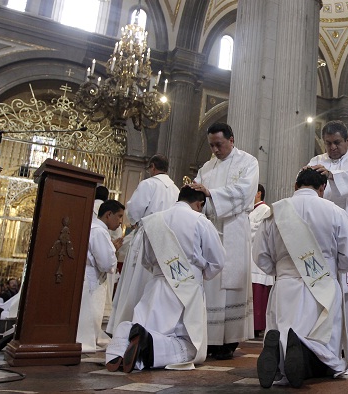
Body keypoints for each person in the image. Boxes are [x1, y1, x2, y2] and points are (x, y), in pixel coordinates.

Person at [253, 168, 348, 388]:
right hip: (322, 286)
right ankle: (304, 353)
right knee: (321, 337)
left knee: (284, 328)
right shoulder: (334, 211)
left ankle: (280, 357)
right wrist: (330, 268)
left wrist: (282, 271)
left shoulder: (274, 212)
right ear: (322, 188)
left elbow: (260, 255)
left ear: (295, 186)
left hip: (285, 285)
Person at [105, 186, 226, 372]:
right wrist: (201, 273)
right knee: (189, 346)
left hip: (155, 286)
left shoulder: (154, 221)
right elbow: (217, 260)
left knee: (145, 322)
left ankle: (120, 346)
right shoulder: (200, 221)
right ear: (199, 204)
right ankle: (148, 344)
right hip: (186, 290)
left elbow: (145, 260)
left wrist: (161, 271)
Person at [191, 122, 259, 360]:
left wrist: (211, 194)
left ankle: (229, 340)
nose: (215, 150)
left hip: (234, 228)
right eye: (211, 145)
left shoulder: (248, 162)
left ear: (231, 139)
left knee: (231, 285)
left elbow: (244, 192)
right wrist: (195, 192)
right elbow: (198, 193)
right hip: (210, 229)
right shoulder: (207, 167)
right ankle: (209, 339)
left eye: (219, 144)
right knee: (210, 287)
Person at [307, 120, 348, 363]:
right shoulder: (317, 160)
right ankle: (325, 339)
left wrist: (333, 176)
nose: (332, 148)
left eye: (337, 143)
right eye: (328, 143)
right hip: (323, 230)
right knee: (323, 286)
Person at [108, 154, 180, 334]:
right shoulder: (176, 189)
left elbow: (134, 210)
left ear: (153, 167)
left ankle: (128, 322)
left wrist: (134, 221)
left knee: (137, 279)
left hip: (147, 235)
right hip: (166, 240)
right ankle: (152, 324)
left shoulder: (148, 184)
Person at [77, 200, 124, 353]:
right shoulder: (99, 231)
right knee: (90, 311)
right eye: (119, 216)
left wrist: (111, 249)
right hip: (93, 278)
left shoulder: (95, 228)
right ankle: (87, 339)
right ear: (108, 214)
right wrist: (113, 252)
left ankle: (91, 337)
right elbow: (105, 263)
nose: (120, 221)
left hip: (91, 275)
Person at [250, 184, 273, 338]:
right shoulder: (250, 210)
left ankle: (258, 325)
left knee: (258, 292)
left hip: (257, 259)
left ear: (259, 193)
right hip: (248, 255)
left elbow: (258, 230)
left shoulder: (265, 210)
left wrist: (242, 224)